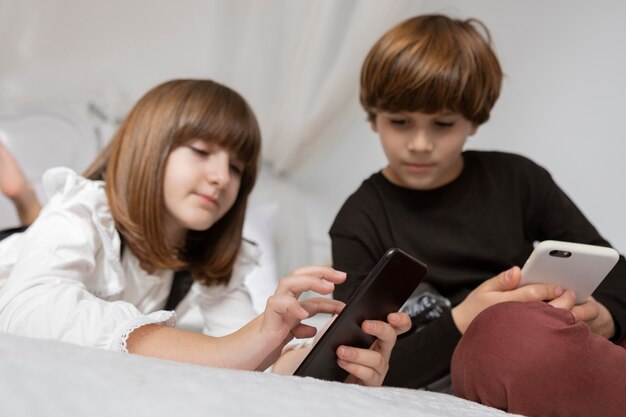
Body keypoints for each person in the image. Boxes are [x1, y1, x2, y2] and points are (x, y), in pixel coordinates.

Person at [0, 79, 411, 385]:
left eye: (236, 168)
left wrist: (334, 368)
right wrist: (223, 350)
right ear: (148, 146)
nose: (220, 178)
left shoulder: (208, 258)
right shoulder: (84, 209)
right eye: (200, 151)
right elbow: (28, 310)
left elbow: (246, 360)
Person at [329, 14, 626, 414]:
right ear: (373, 117)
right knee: (502, 333)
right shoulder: (359, 219)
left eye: (443, 124)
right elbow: (355, 365)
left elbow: (616, 272)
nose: (420, 144)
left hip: (560, 339)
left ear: (474, 120)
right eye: (400, 122)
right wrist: (465, 320)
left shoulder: (518, 179)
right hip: (490, 354)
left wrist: (604, 318)